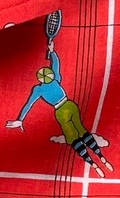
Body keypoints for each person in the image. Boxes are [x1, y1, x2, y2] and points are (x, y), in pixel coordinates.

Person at [6, 20, 112, 175]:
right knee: (81, 130)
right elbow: (55, 63)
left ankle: (92, 163)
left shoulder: (38, 89)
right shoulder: (56, 78)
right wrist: (52, 51)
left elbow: (29, 104)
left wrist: (20, 120)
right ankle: (100, 156)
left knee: (72, 137)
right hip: (70, 104)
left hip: (60, 111)